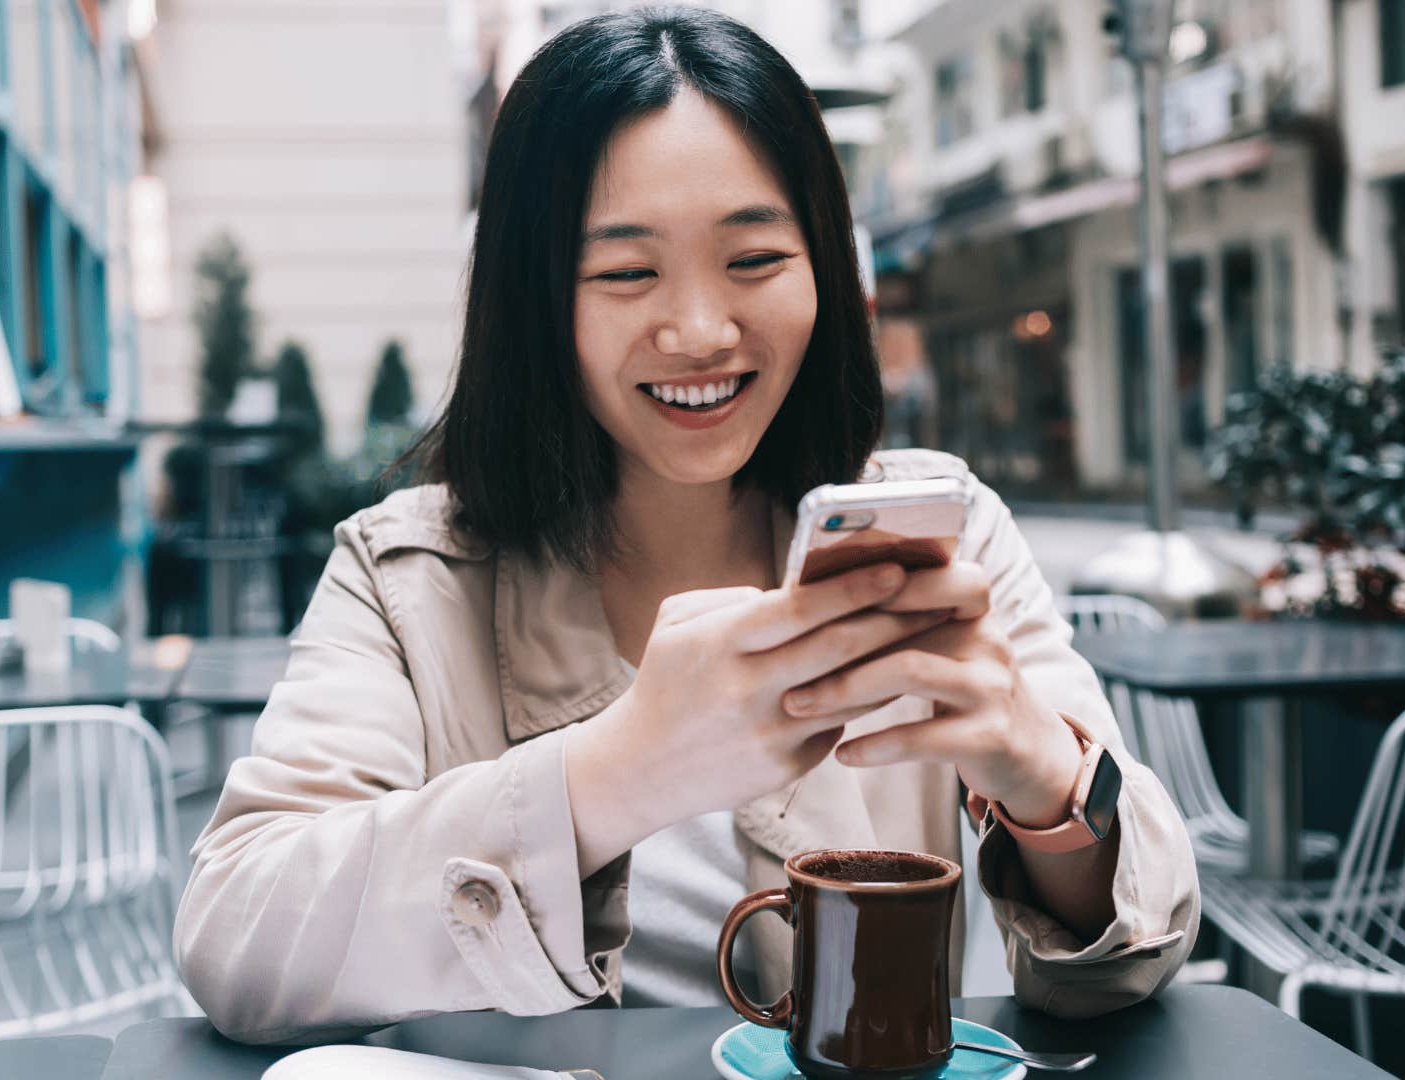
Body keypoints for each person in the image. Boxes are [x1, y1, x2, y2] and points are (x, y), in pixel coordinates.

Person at [174, 7, 1198, 1045]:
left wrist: (1042, 776)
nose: (702, 331)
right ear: (533, 301)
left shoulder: (942, 534)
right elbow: (238, 938)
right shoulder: (407, 576)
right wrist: (616, 772)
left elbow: (1136, 958)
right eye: (626, 272)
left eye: (754, 259)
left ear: (824, 272)